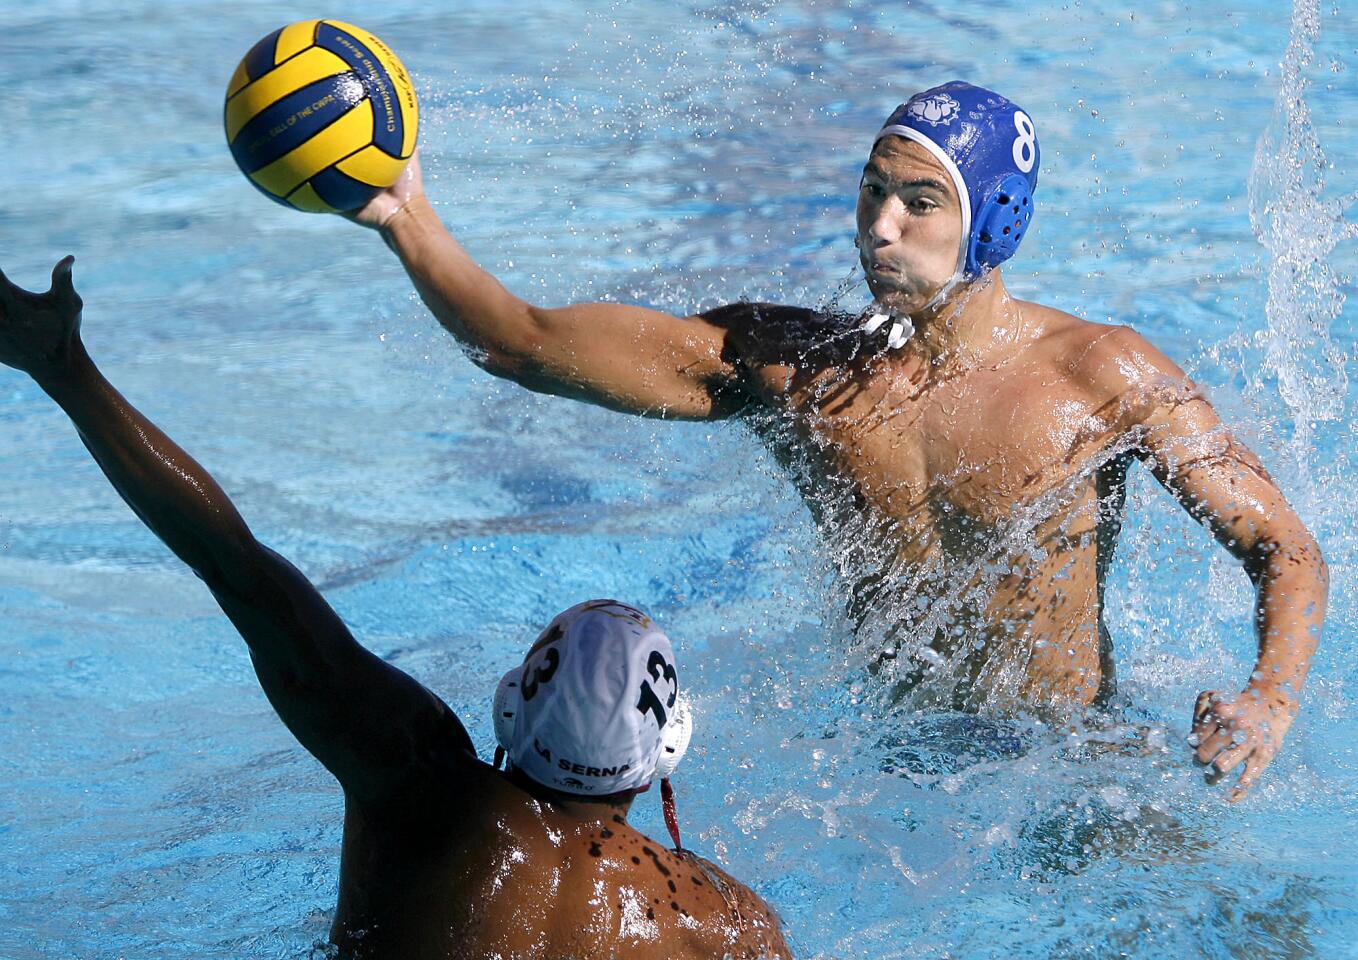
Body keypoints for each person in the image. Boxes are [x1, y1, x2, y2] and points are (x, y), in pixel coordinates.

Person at [343, 80, 1327, 800]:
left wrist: (1268, 700)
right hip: (881, 767)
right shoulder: (792, 368)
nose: (878, 228)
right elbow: (524, 344)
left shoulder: (1100, 375)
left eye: (917, 201)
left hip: (1063, 762)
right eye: (870, 192)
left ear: (992, 219)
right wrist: (405, 218)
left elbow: (1280, 548)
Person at [0, 257, 791, 960]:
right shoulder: (726, 926)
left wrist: (65, 370)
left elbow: (234, 563)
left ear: (512, 708)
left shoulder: (413, 779)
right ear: (668, 748)